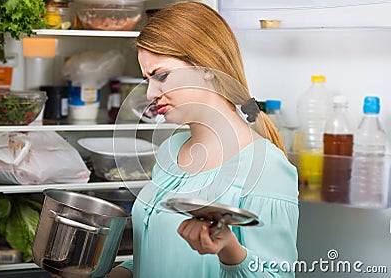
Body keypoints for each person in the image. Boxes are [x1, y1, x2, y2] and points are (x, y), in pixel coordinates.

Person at [108, 2, 299, 277]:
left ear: (206, 67)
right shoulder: (171, 150)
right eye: (147, 79)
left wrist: (229, 249)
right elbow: (160, 253)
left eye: (161, 75)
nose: (150, 92)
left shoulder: (266, 167)